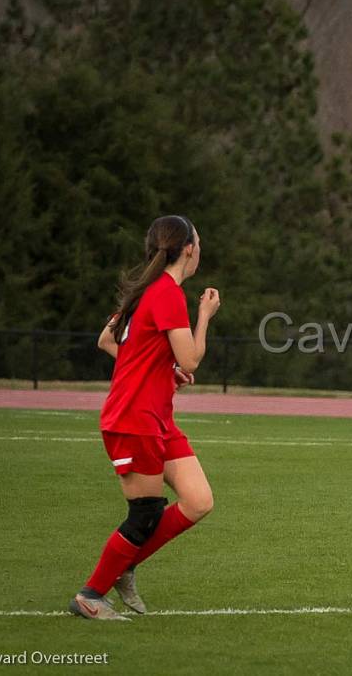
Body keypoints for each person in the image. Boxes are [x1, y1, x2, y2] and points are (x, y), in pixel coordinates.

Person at [69, 215, 221, 620]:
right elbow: (191, 357)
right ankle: (90, 595)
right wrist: (204, 315)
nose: (200, 248)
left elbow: (107, 340)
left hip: (157, 417)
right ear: (188, 248)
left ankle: (125, 564)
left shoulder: (147, 291)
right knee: (146, 514)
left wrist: (163, 373)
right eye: (199, 241)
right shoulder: (167, 293)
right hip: (133, 418)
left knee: (199, 500)